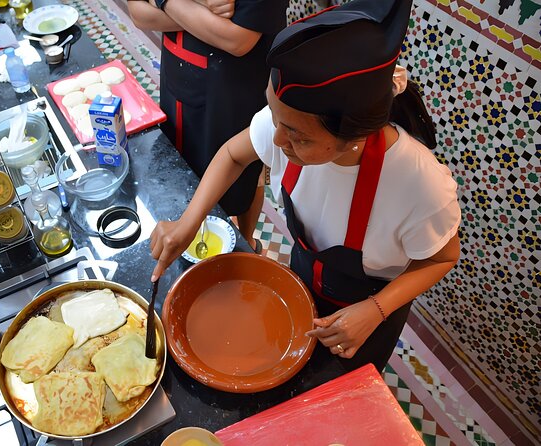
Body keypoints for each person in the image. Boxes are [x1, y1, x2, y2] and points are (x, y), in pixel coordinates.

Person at [149, 0, 461, 382]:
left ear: (352, 137)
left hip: (370, 308)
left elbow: (441, 258)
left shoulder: (419, 184)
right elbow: (233, 154)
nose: (277, 139)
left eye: (297, 135)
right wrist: (188, 223)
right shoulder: (285, 122)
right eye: (274, 116)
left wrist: (375, 310)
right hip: (303, 276)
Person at [127, 0, 289, 250]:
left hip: (237, 87)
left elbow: (238, 40)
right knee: (181, 162)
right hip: (180, 71)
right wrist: (203, 10)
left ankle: (246, 242)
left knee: (247, 169)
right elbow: (138, 13)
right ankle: (185, 227)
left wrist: (164, 2)